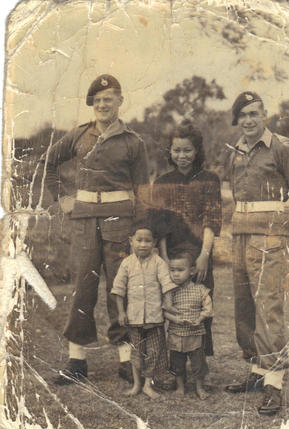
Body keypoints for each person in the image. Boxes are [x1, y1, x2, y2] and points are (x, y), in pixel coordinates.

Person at [41, 74, 149, 384]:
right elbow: (48, 164)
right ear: (93, 104)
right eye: (98, 100)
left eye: (109, 99)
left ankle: (126, 361)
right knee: (82, 289)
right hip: (84, 220)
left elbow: (143, 189)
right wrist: (62, 198)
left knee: (121, 288)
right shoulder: (78, 136)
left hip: (120, 221)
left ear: (120, 101)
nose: (103, 104)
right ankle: (77, 361)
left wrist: (141, 231)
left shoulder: (133, 141)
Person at [225, 91, 289, 415]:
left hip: (270, 237)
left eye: (254, 113)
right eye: (243, 115)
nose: (248, 120)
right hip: (240, 235)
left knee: (269, 309)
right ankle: (256, 372)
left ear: (264, 113)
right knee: (244, 308)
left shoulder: (280, 147)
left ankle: (274, 385)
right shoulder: (235, 151)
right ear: (237, 120)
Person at [151, 121, 221, 357]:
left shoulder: (209, 179)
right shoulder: (162, 183)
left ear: (197, 151)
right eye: (177, 150)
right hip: (171, 255)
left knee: (200, 304)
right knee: (171, 306)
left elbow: (211, 220)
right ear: (170, 151)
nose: (182, 156)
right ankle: (175, 363)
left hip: (200, 254)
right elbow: (159, 226)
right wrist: (164, 260)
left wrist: (204, 256)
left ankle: (199, 364)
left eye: (188, 150)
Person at [111, 222, 177, 399]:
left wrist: (168, 304)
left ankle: (148, 384)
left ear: (154, 243)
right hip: (133, 317)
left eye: (148, 241)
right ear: (131, 241)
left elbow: (166, 284)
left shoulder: (159, 263)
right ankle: (136, 385)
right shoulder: (126, 263)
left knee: (154, 352)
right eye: (139, 240)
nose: (143, 244)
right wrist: (121, 312)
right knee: (136, 352)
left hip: (154, 317)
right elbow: (118, 289)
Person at [164, 251, 213, 399]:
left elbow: (208, 308)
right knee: (176, 363)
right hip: (176, 334)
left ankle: (199, 387)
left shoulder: (200, 290)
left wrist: (200, 319)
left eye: (180, 270)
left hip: (195, 334)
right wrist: (175, 319)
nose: (176, 274)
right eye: (172, 270)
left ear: (191, 271)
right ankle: (180, 386)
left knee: (198, 363)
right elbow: (163, 310)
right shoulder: (169, 292)